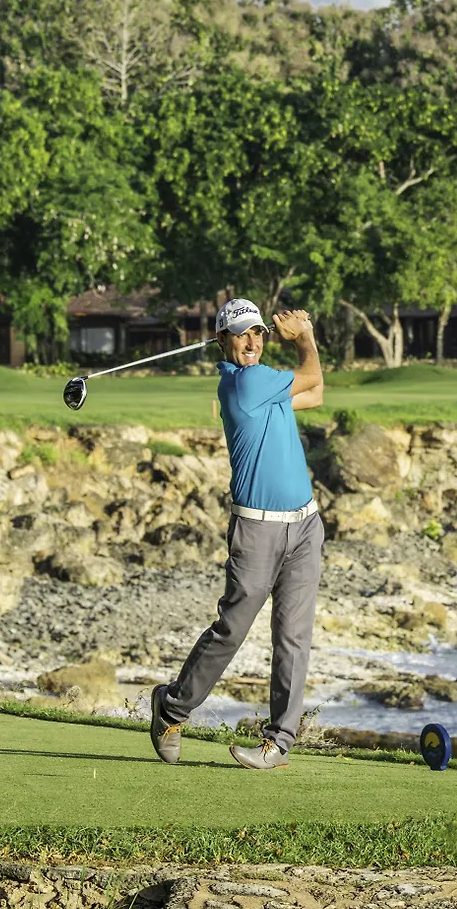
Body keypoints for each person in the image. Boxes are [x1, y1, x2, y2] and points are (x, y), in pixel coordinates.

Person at [150, 299, 324, 770]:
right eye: (243, 334)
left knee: (294, 637)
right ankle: (172, 708)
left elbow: (316, 394)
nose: (253, 342)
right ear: (224, 341)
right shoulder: (246, 383)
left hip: (306, 526)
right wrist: (304, 335)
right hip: (257, 530)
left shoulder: (264, 384)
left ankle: (279, 742)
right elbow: (310, 377)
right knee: (231, 630)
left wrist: (301, 341)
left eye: (259, 333)